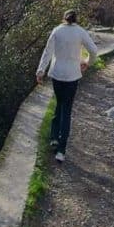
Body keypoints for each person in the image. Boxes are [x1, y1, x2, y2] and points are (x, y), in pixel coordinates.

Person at [36, 9, 99, 162]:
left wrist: (40, 70)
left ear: (64, 18)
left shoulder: (57, 31)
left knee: (59, 103)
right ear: (76, 19)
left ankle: (54, 137)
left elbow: (47, 52)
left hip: (57, 73)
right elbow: (94, 50)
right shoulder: (80, 32)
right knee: (67, 109)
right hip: (72, 75)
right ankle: (61, 150)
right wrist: (86, 63)